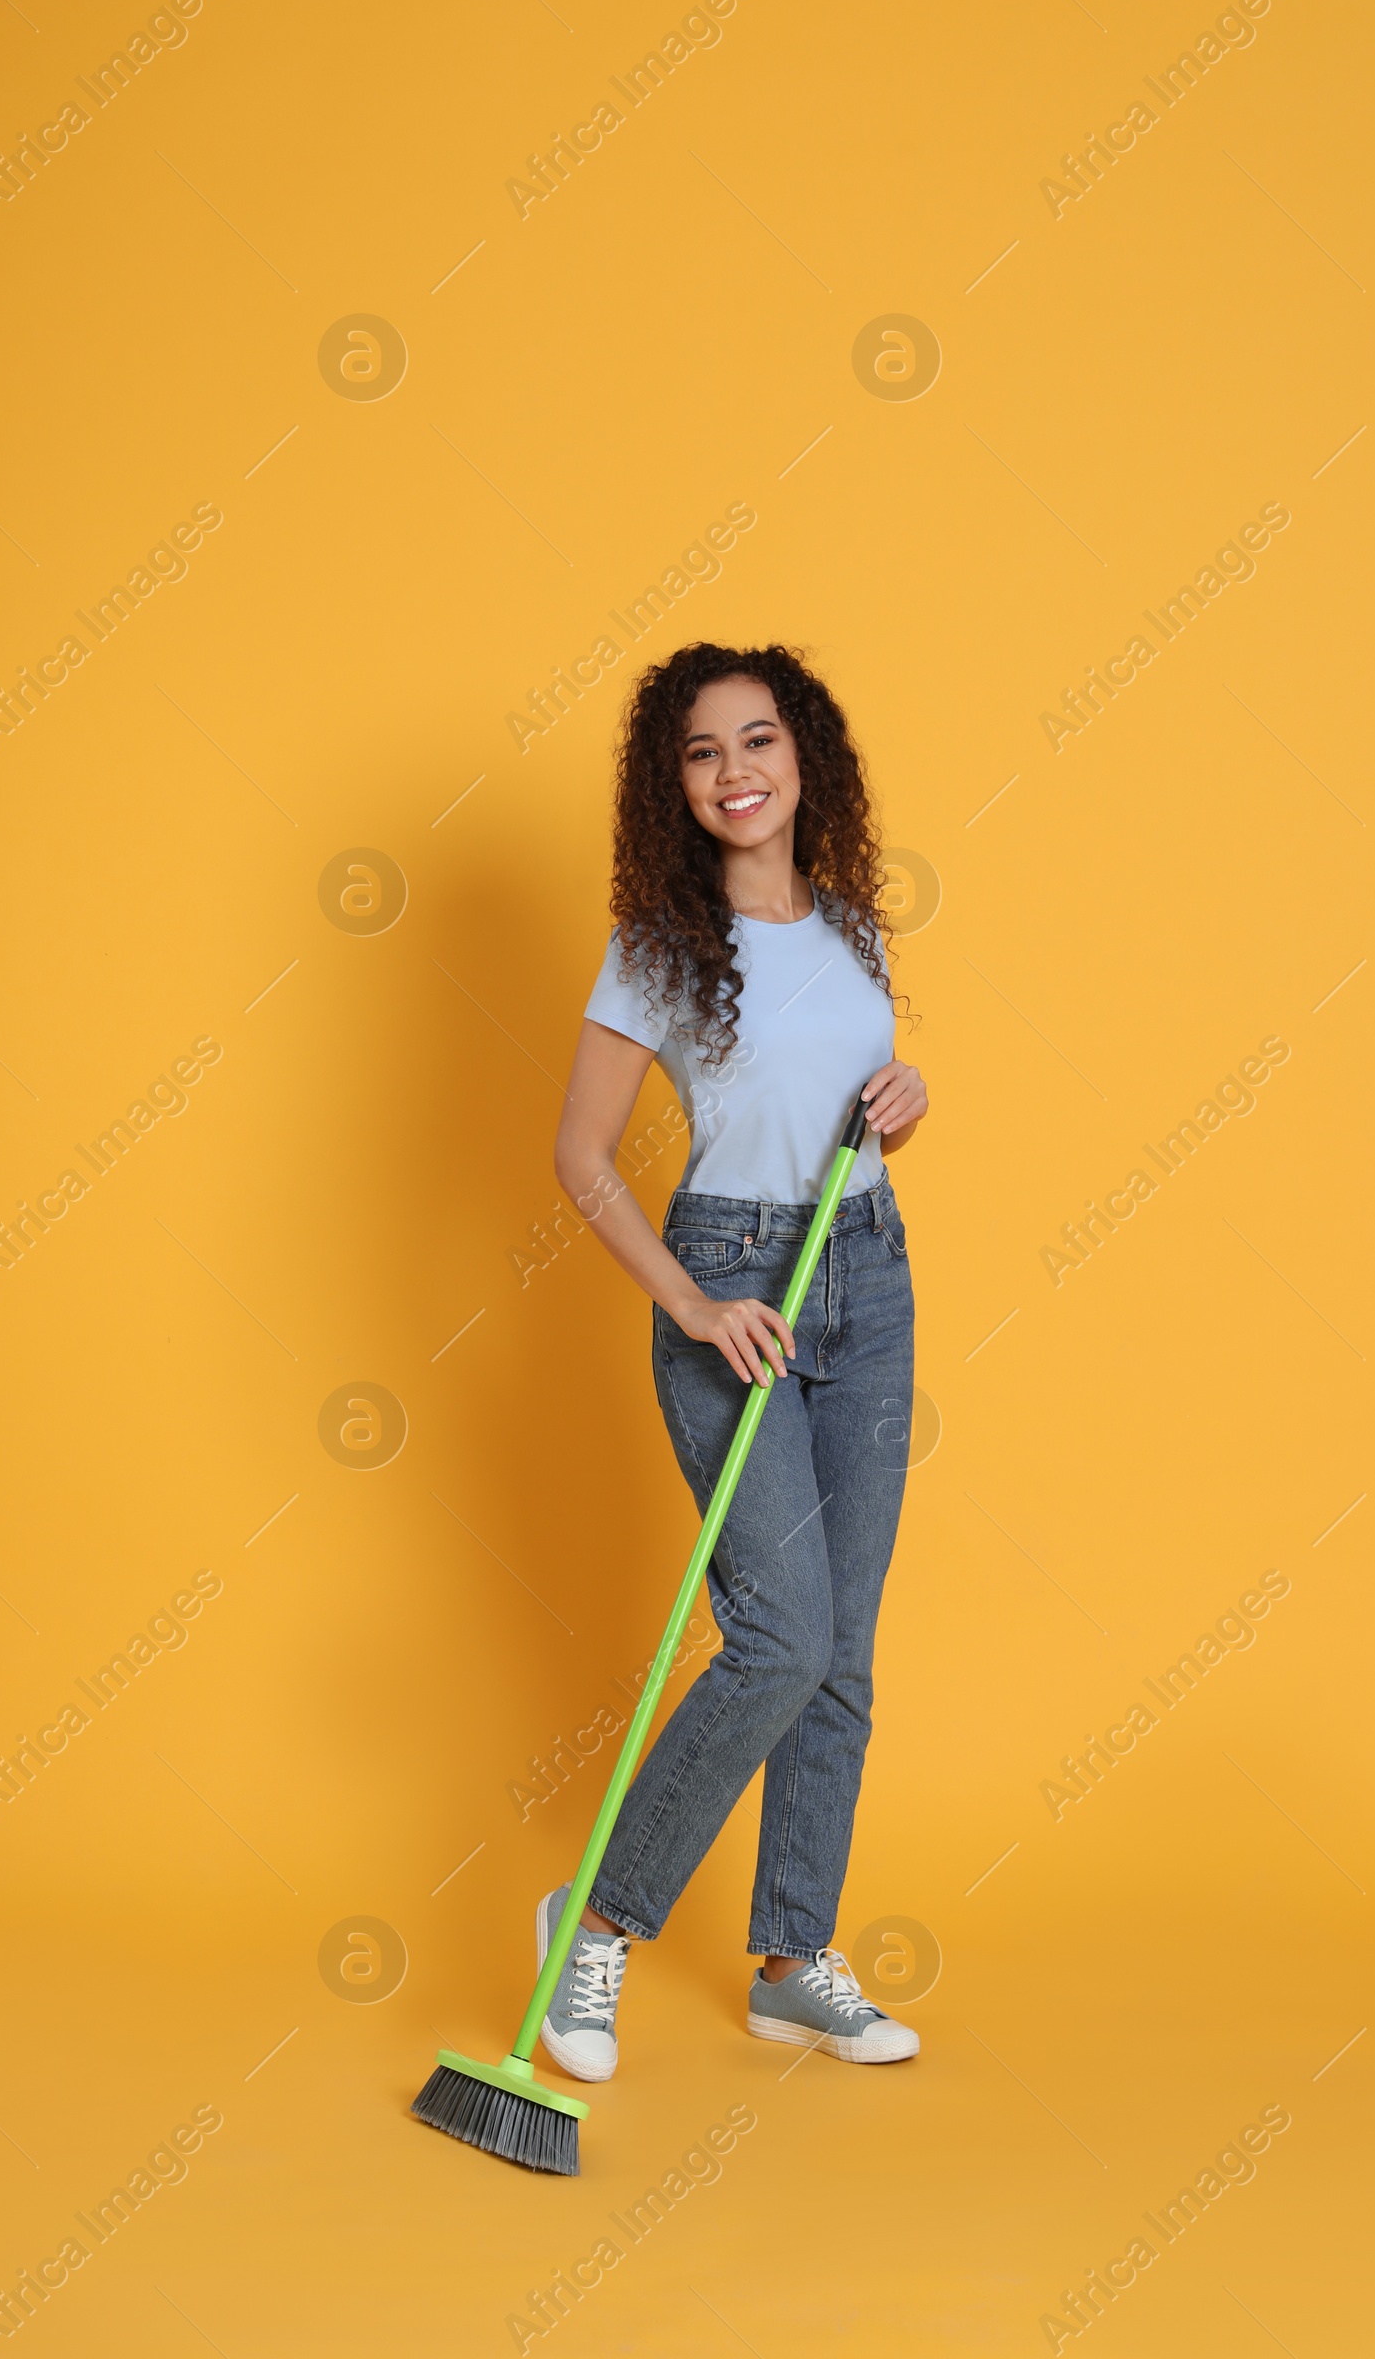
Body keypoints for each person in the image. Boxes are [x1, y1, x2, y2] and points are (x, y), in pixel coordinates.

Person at [541, 641, 929, 2079]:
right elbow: (580, 1158)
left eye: (757, 742)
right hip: (731, 1281)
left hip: (869, 1276)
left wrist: (907, 1101)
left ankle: (793, 1962)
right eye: (703, 754)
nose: (736, 773)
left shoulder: (854, 927)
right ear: (675, 784)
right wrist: (696, 1309)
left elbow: (848, 1105)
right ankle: (595, 1922)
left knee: (845, 1655)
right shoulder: (657, 943)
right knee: (781, 1637)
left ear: (802, 755)